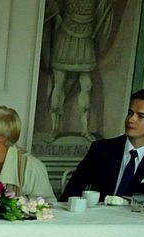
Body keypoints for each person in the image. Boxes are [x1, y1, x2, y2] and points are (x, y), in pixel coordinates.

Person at [62, 87, 144, 200]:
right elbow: (71, 193)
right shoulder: (101, 150)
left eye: (140, 116)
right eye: (130, 113)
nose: (130, 120)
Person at [44, 0, 113, 138]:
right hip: (65, 38)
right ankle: (54, 128)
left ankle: (85, 130)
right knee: (59, 84)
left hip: (86, 39)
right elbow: (54, 8)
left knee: (87, 85)